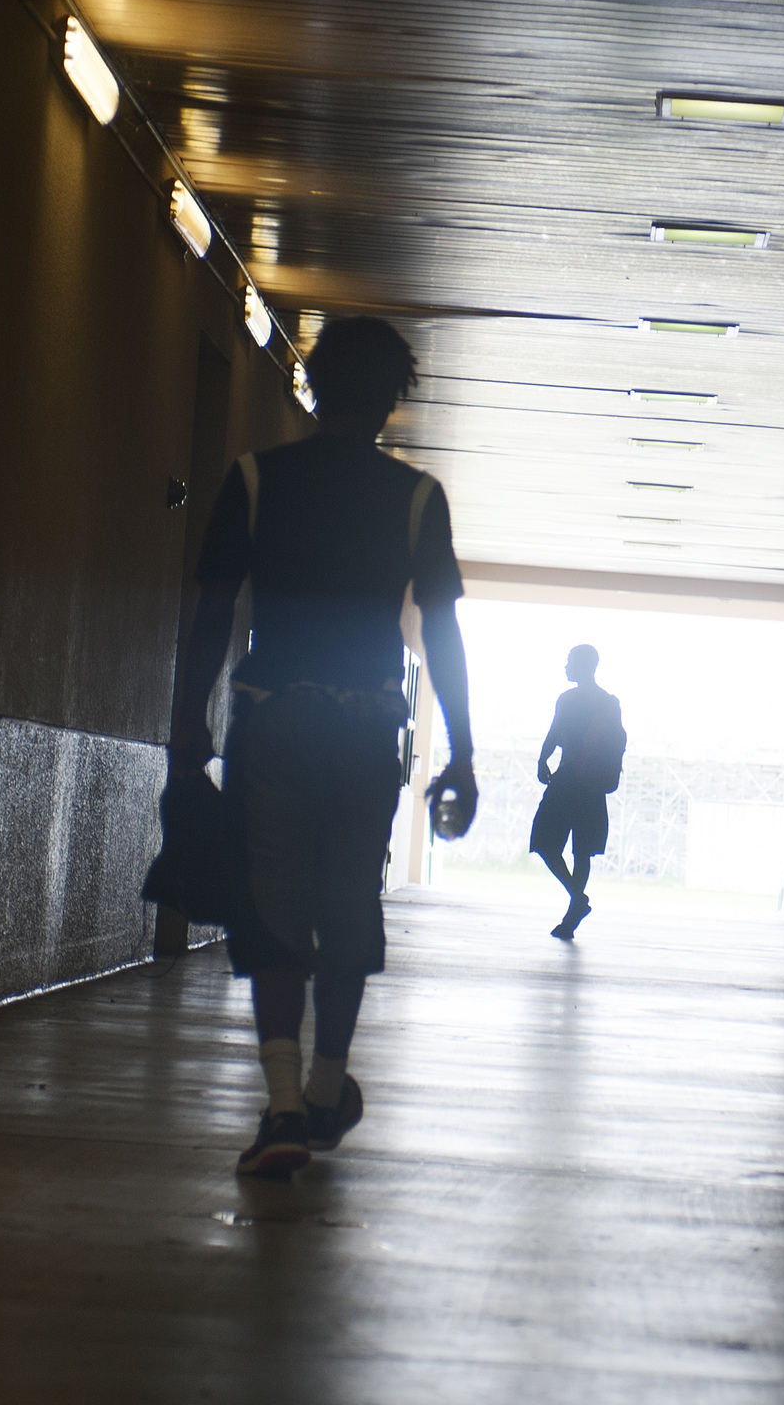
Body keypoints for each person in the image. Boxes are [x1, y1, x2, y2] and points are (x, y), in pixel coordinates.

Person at [169, 317, 477, 1179]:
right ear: (390, 401)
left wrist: (188, 721)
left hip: (272, 719)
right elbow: (444, 633)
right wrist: (464, 749)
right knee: (346, 897)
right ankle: (328, 1081)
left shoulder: (255, 480)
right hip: (366, 724)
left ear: (311, 385)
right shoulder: (416, 498)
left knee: (270, 905)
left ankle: (280, 1108)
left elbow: (214, 608)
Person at [529, 644, 623, 939]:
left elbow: (555, 733)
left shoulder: (568, 699)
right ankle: (572, 914)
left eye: (569, 661)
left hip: (568, 778)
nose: (566, 667)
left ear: (584, 665)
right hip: (594, 785)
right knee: (583, 852)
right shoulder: (609, 702)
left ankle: (576, 900)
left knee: (545, 843)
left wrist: (543, 759)